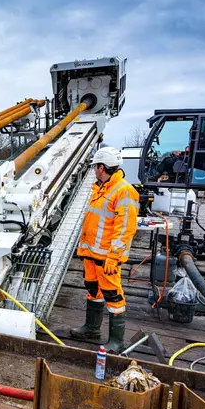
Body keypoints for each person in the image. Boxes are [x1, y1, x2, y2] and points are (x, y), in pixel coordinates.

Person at [71, 146, 139, 353]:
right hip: (91, 255)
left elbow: (125, 229)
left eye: (95, 167)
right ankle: (92, 328)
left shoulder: (123, 191)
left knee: (113, 295)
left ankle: (117, 341)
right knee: (93, 290)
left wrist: (114, 257)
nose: (94, 170)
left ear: (101, 167)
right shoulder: (101, 188)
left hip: (107, 258)